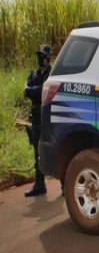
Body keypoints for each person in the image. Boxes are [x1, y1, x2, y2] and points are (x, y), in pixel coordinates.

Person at [23, 44, 52, 197]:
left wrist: (31, 90)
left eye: (44, 55)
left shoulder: (52, 73)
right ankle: (39, 185)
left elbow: (43, 91)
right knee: (37, 152)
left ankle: (64, 186)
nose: (41, 58)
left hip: (48, 118)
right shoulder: (33, 74)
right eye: (39, 55)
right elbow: (25, 91)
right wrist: (33, 90)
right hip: (36, 118)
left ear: (49, 57)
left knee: (55, 148)